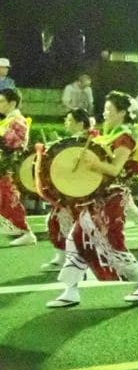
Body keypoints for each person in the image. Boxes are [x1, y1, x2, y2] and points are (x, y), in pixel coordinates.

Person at [45, 91, 138, 308]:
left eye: (109, 109)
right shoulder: (109, 135)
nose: (105, 113)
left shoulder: (125, 138)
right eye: (105, 109)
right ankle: (70, 290)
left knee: (113, 243)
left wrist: (94, 164)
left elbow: (115, 169)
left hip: (113, 197)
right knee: (76, 237)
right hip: (97, 196)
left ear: (122, 113)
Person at [40, 108, 94, 270]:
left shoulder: (88, 142)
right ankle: (65, 257)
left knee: (67, 221)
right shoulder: (74, 141)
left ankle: (72, 258)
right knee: (56, 220)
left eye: (69, 120)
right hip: (69, 189)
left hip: (81, 191)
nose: (66, 123)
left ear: (80, 123)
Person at [0, 88, 35, 246]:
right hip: (4, 166)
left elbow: (14, 143)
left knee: (9, 199)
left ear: (12, 103)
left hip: (8, 167)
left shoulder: (18, 120)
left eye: (2, 101)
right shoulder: (8, 120)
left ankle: (25, 232)